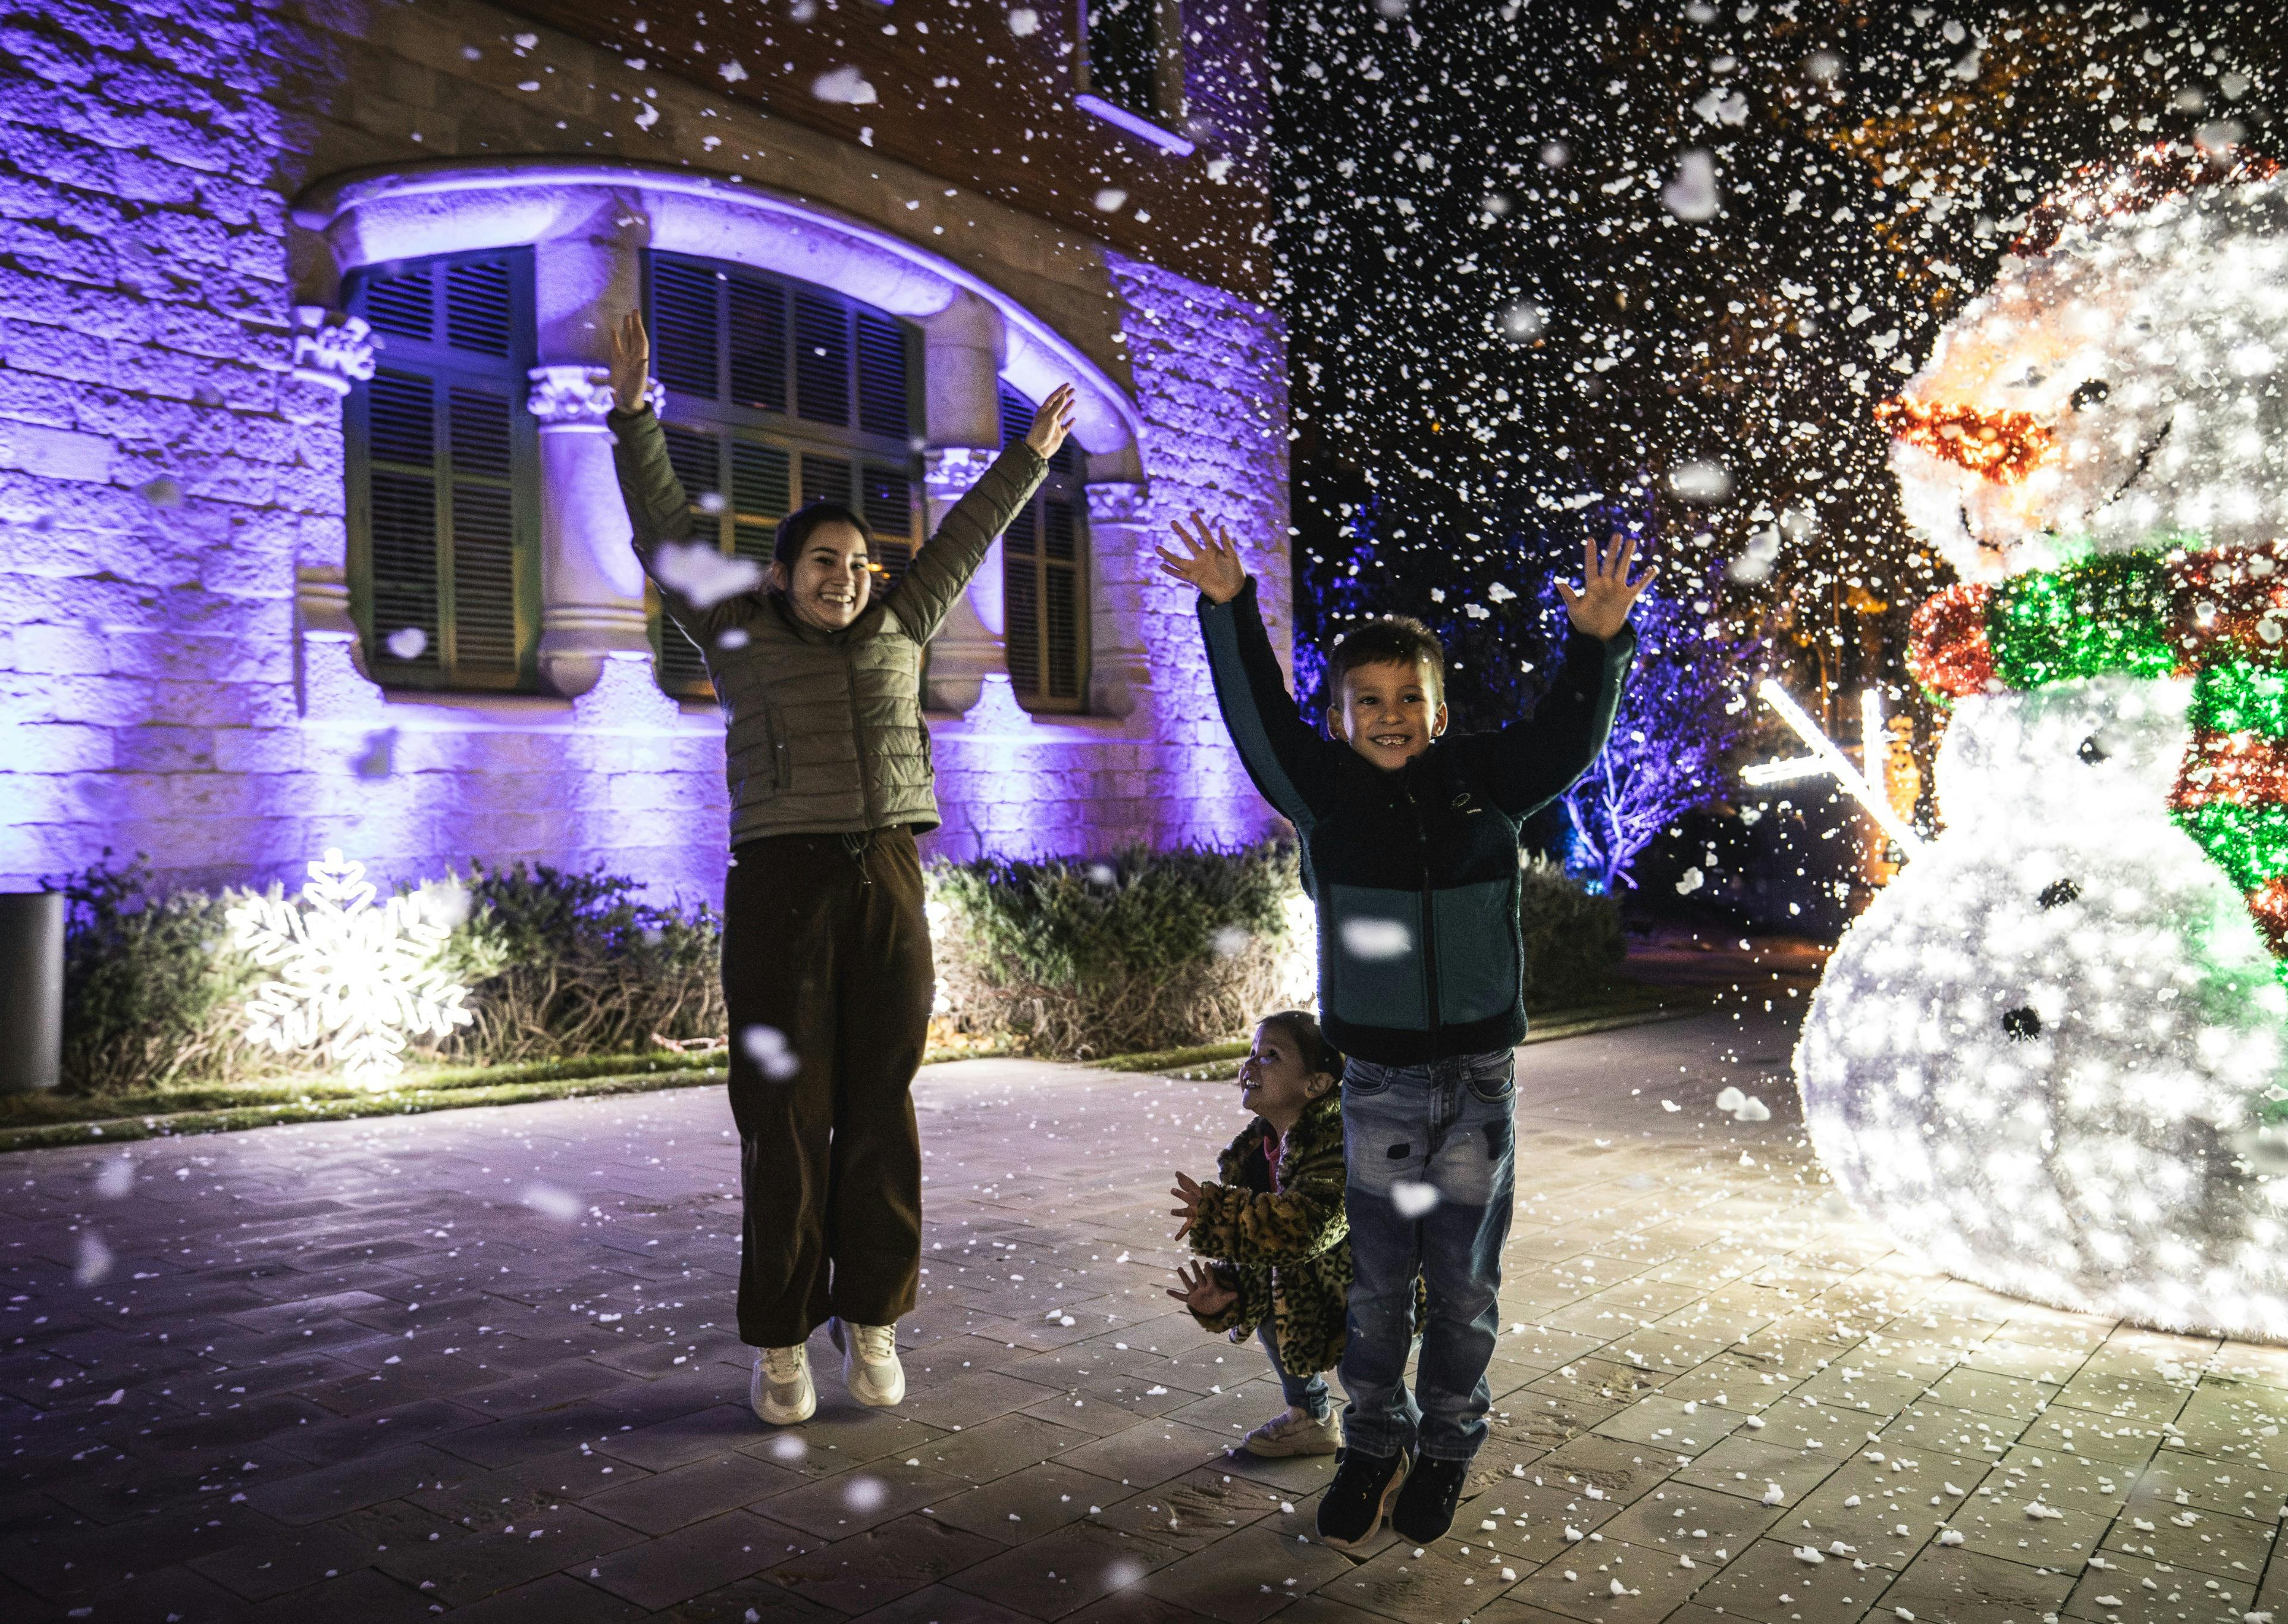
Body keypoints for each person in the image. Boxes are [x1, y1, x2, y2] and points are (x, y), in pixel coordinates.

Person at [606, 310, 1075, 1425]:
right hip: (778, 887)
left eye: (861, 564)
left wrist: (1029, 458)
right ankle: (778, 1339)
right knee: (782, 1115)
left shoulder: (902, 623)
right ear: (783, 572)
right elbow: (662, 523)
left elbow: (964, 537)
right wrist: (634, 417)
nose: (849, 578)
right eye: (827, 562)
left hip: (887, 880)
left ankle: (871, 1317)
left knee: (880, 1108)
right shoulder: (736, 632)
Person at [1156, 516, 1649, 1548]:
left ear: (1438, 707)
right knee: (1378, 1286)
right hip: (1376, 1084)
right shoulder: (1325, 798)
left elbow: (1567, 737)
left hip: (1475, 1083)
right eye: (1368, 702)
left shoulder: (1483, 785)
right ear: (1337, 718)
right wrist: (1229, 611)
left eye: (1409, 699)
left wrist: (1597, 646)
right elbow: (1256, 726)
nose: (1391, 717)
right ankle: (1372, 1440)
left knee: (1463, 1289)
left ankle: (1448, 1448)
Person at [1165, 1010, 1353, 1459]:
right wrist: (1225, 1295)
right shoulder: (1251, 1153)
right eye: (1251, 1053)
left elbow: (1308, 1227)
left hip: (1364, 1287)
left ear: (1317, 1084)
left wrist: (1222, 1215)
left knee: (1367, 1373)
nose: (1249, 1066)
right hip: (1306, 1284)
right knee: (1275, 1294)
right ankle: (1310, 1417)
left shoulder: (1337, 1141)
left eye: (1270, 1056)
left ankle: (1391, 1438)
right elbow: (1260, 1245)